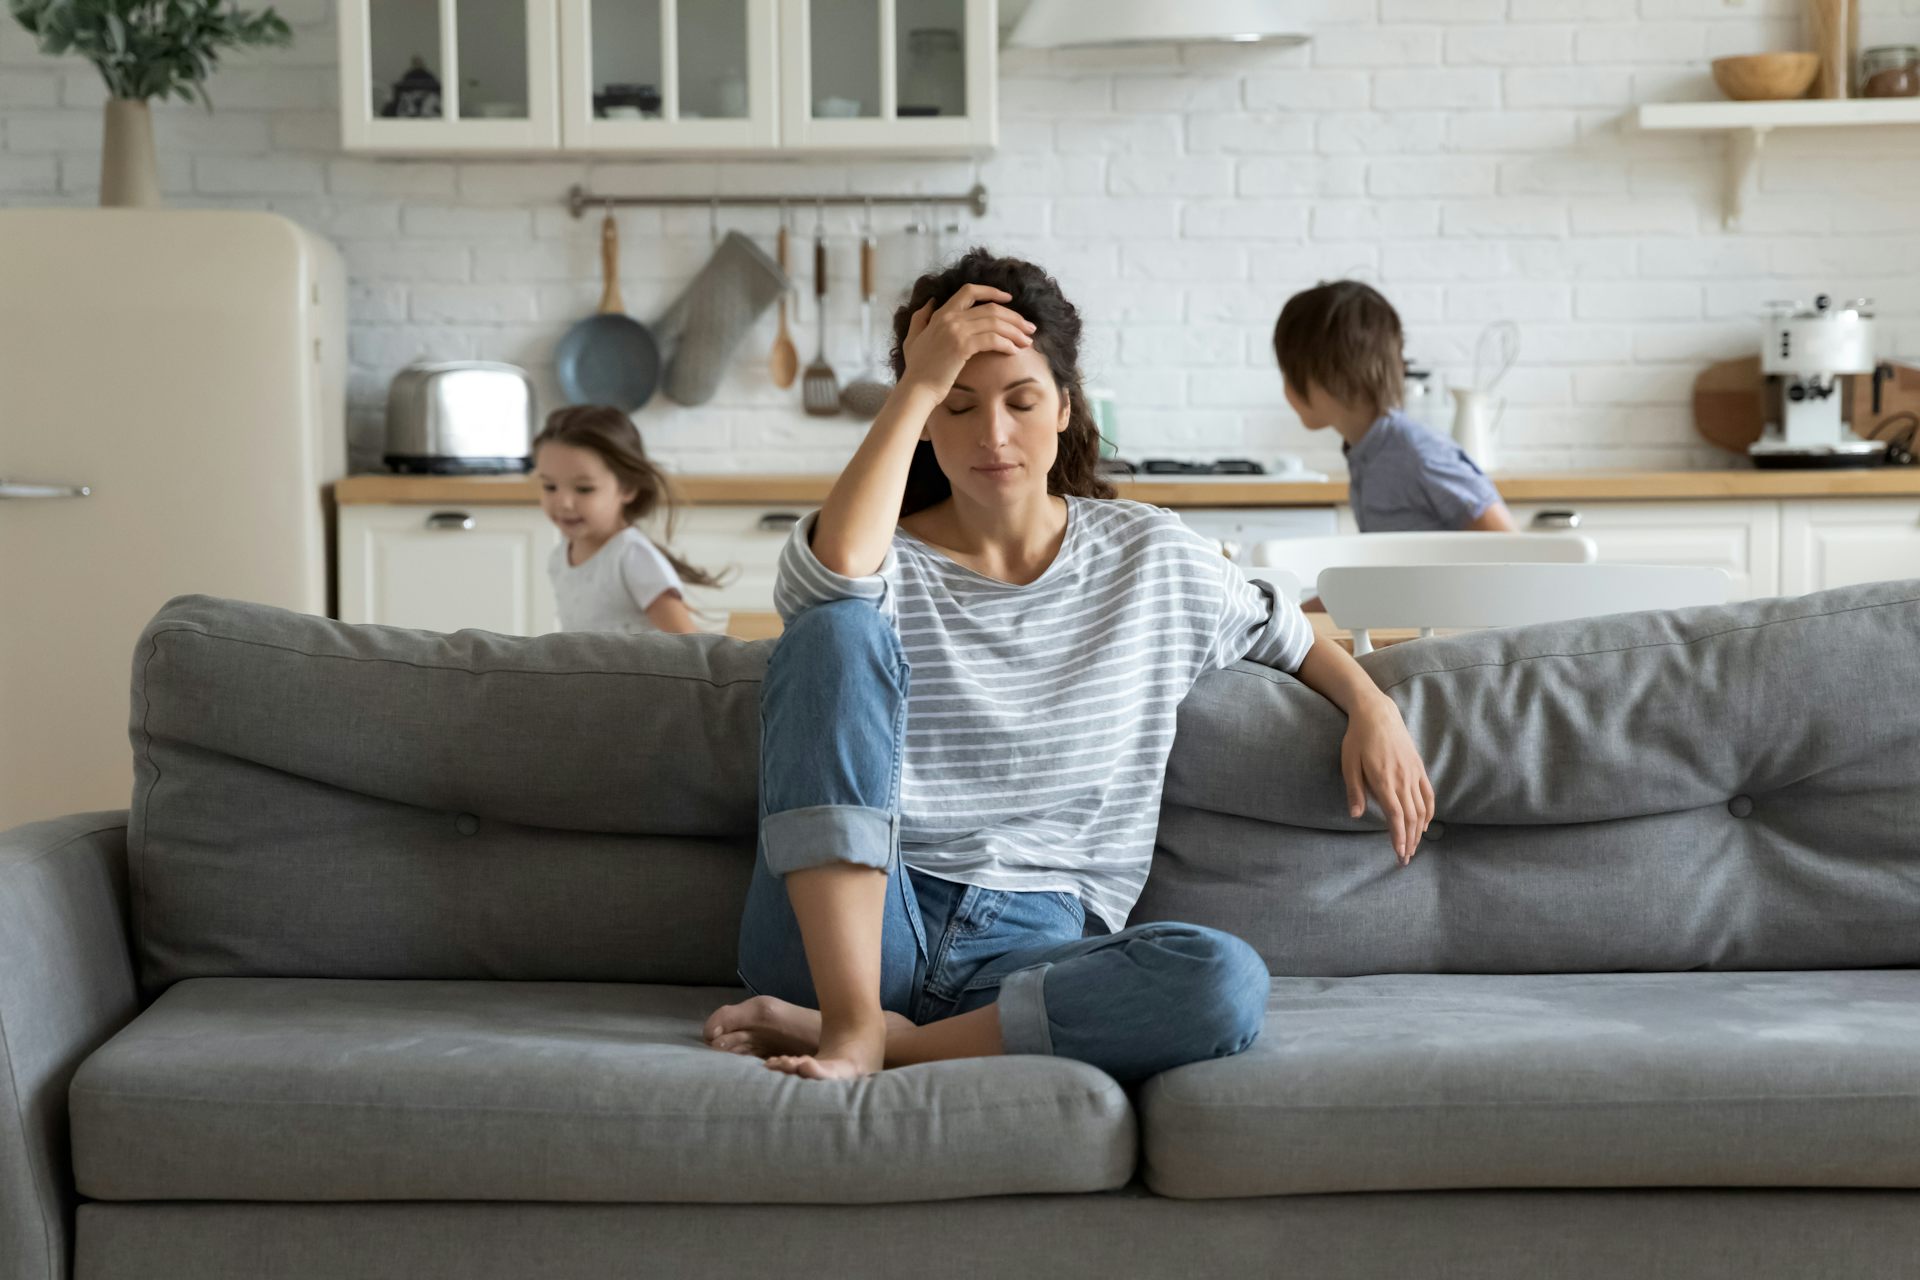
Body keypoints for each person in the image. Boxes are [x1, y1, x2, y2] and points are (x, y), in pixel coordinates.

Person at [703, 251, 1435, 1084]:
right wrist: (915, 379)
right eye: (957, 403)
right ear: (924, 418)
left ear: (1064, 409)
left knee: (1223, 980)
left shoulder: (1149, 556)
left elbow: (1292, 637)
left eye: (1021, 401)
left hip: (1032, 947)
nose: (993, 436)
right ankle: (850, 1014)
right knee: (833, 630)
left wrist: (1373, 706)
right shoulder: (879, 557)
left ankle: (880, 1040)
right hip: (857, 919)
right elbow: (831, 579)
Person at [1275, 280, 1517, 533]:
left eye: (1288, 373)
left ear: (1330, 376)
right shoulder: (1365, 452)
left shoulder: (1418, 453)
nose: (1285, 389)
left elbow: (1509, 546)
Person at [533, 405, 722, 635]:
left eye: (584, 489)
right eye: (550, 486)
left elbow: (691, 644)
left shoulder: (633, 557)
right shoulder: (559, 557)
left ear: (628, 487)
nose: (563, 502)